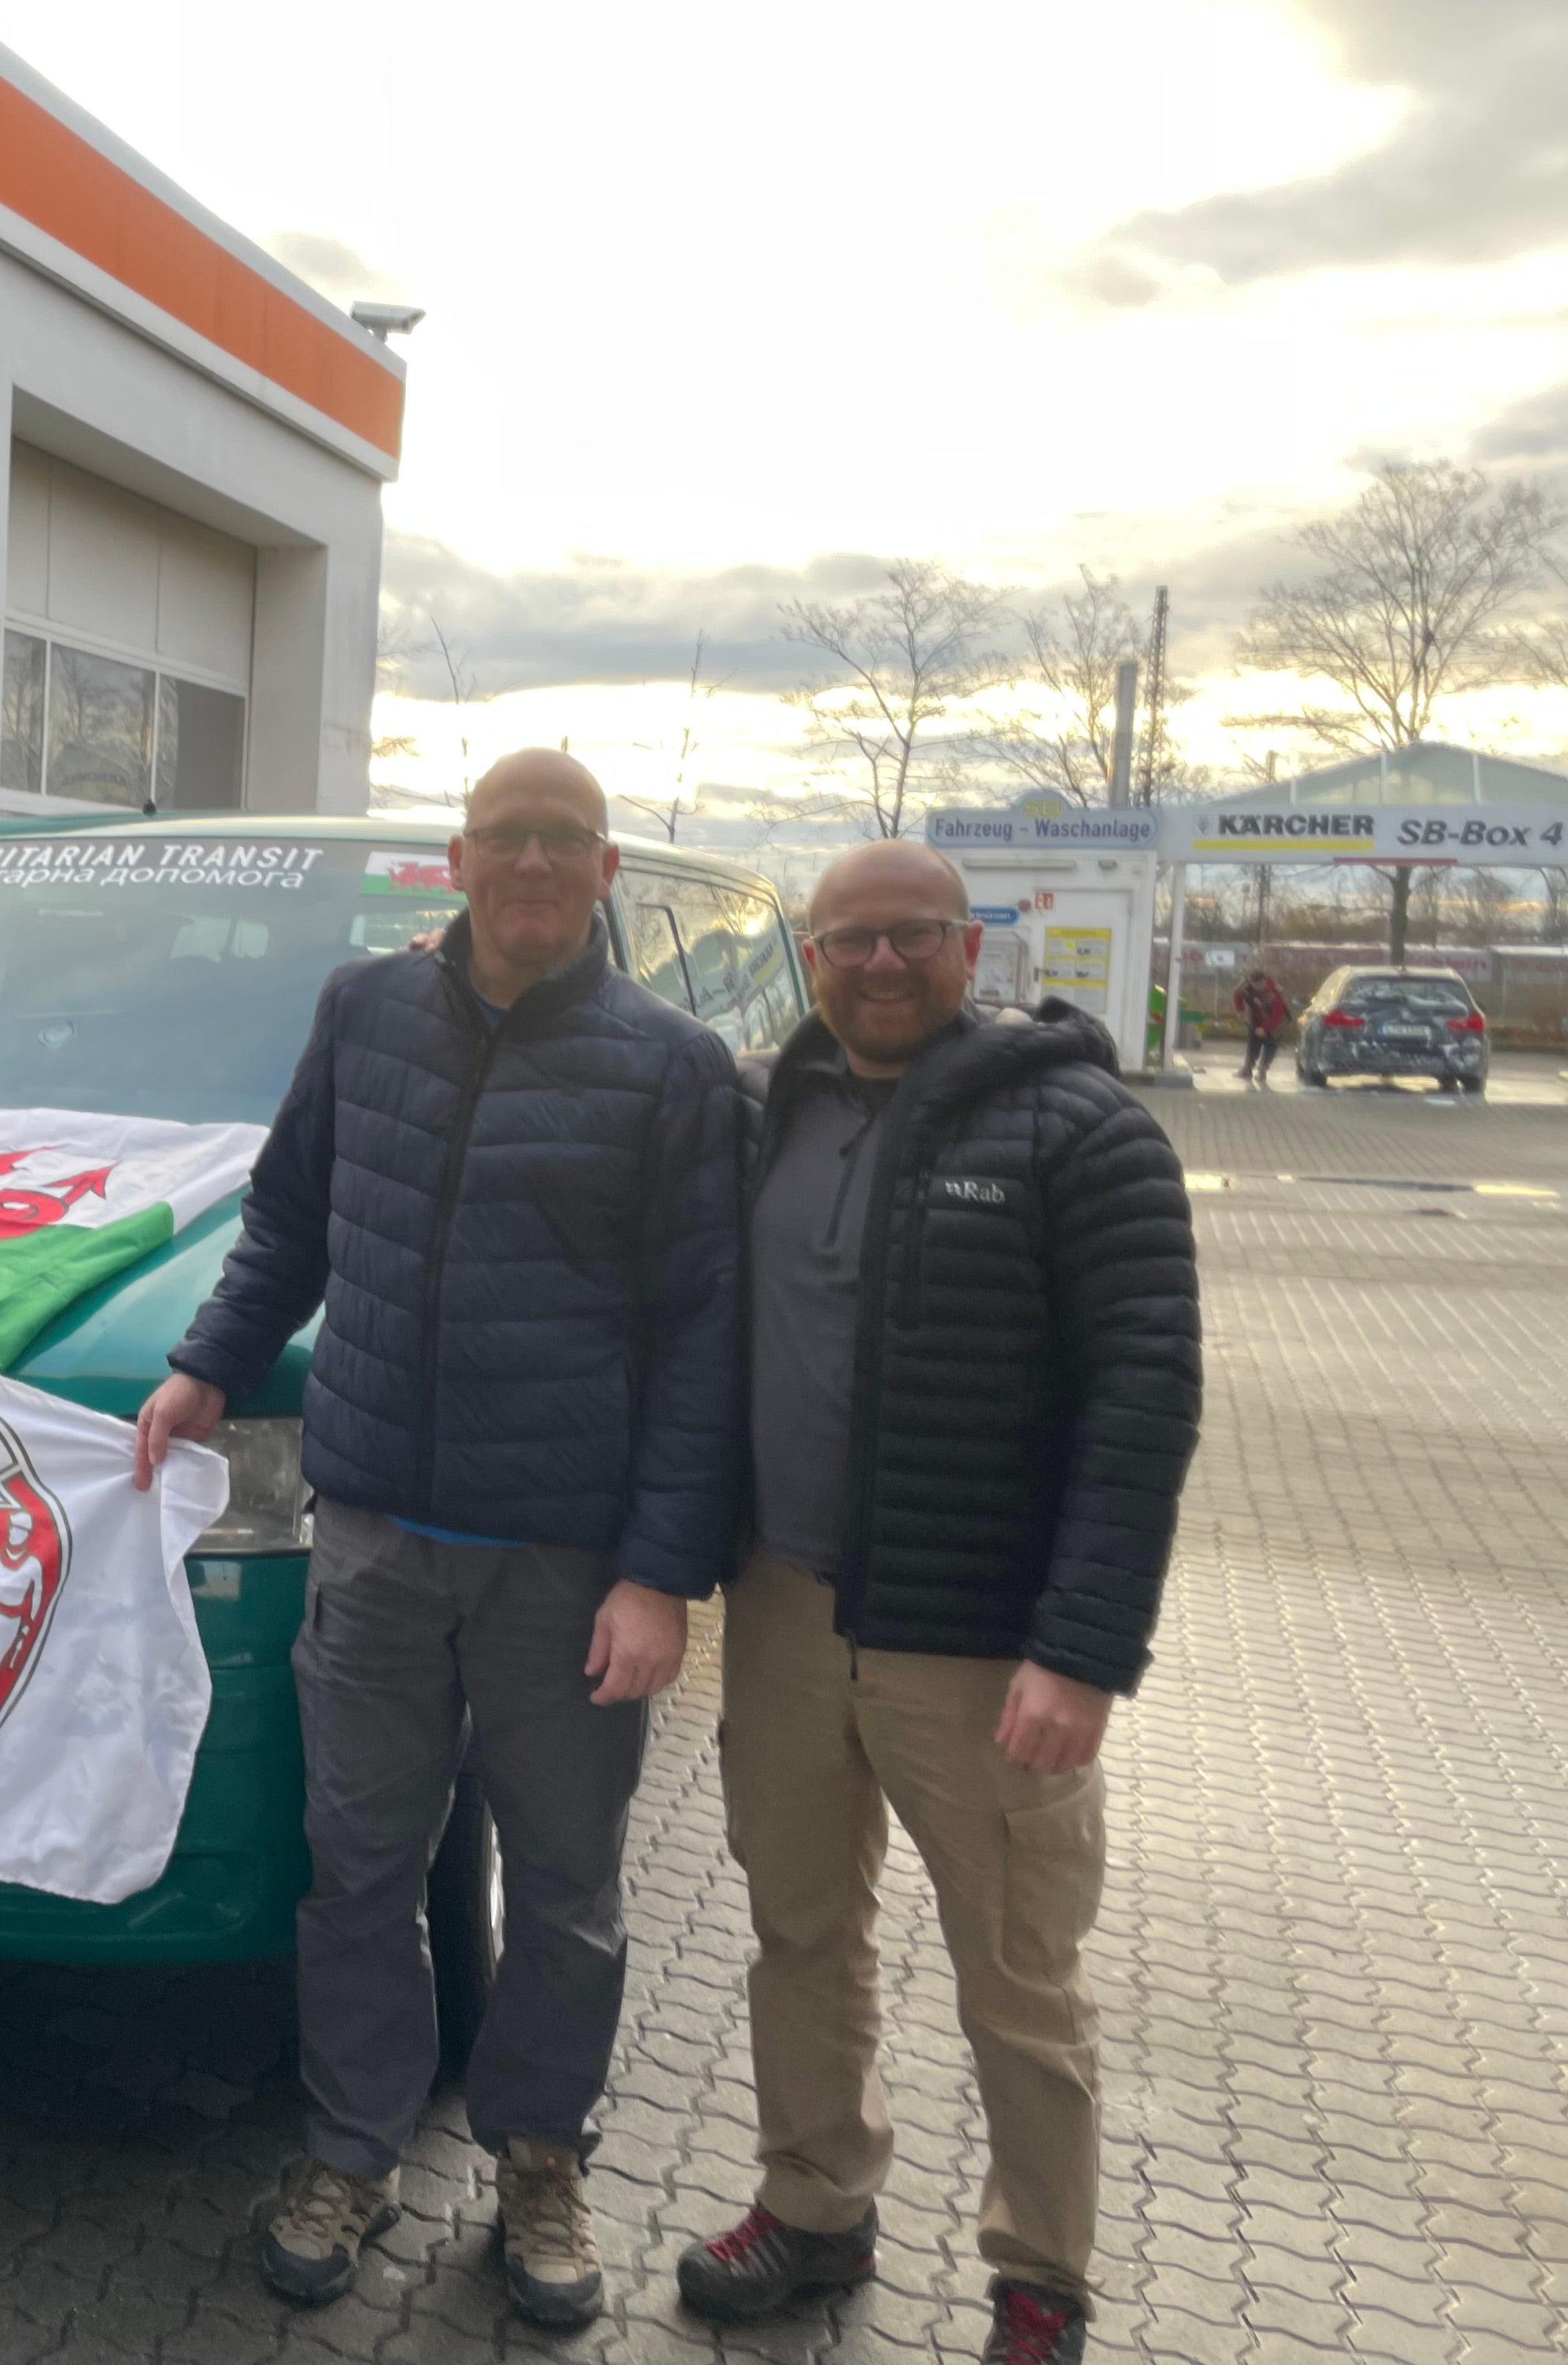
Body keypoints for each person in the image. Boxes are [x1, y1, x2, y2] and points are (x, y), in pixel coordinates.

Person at [134, 748, 743, 2328]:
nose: (533, 865)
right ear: (458, 861)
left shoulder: (671, 1069)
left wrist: (663, 1573)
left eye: (564, 843)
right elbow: (289, 1217)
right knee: (358, 1872)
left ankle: (542, 2163)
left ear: (604, 873)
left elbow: (702, 1341)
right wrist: (209, 1363)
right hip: (376, 1538)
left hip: (565, 1566)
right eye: (507, 840)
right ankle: (352, 2150)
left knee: (563, 1889)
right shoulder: (365, 1012)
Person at [674, 841, 1198, 2365]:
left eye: (912, 937)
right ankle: (818, 2207)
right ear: (814, 960)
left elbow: (1142, 1401)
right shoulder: (775, 1114)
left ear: (973, 945)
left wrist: (1082, 1649)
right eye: (851, 942)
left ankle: (1042, 2288)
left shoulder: (1080, 1129)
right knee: (801, 1933)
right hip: (780, 1611)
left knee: (1019, 1980)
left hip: (979, 1647)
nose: (881, 965)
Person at [1229, 967, 1288, 1086]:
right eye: (1255, 985)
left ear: (1264, 982)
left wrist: (1265, 1028)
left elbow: (1277, 1014)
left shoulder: (1273, 992)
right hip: (1256, 1018)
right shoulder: (1247, 987)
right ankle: (1248, 1068)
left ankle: (1263, 1070)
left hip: (1275, 1023)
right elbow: (1237, 994)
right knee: (1253, 1043)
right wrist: (1240, 1010)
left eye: (1260, 985)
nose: (1257, 988)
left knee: (1271, 1045)